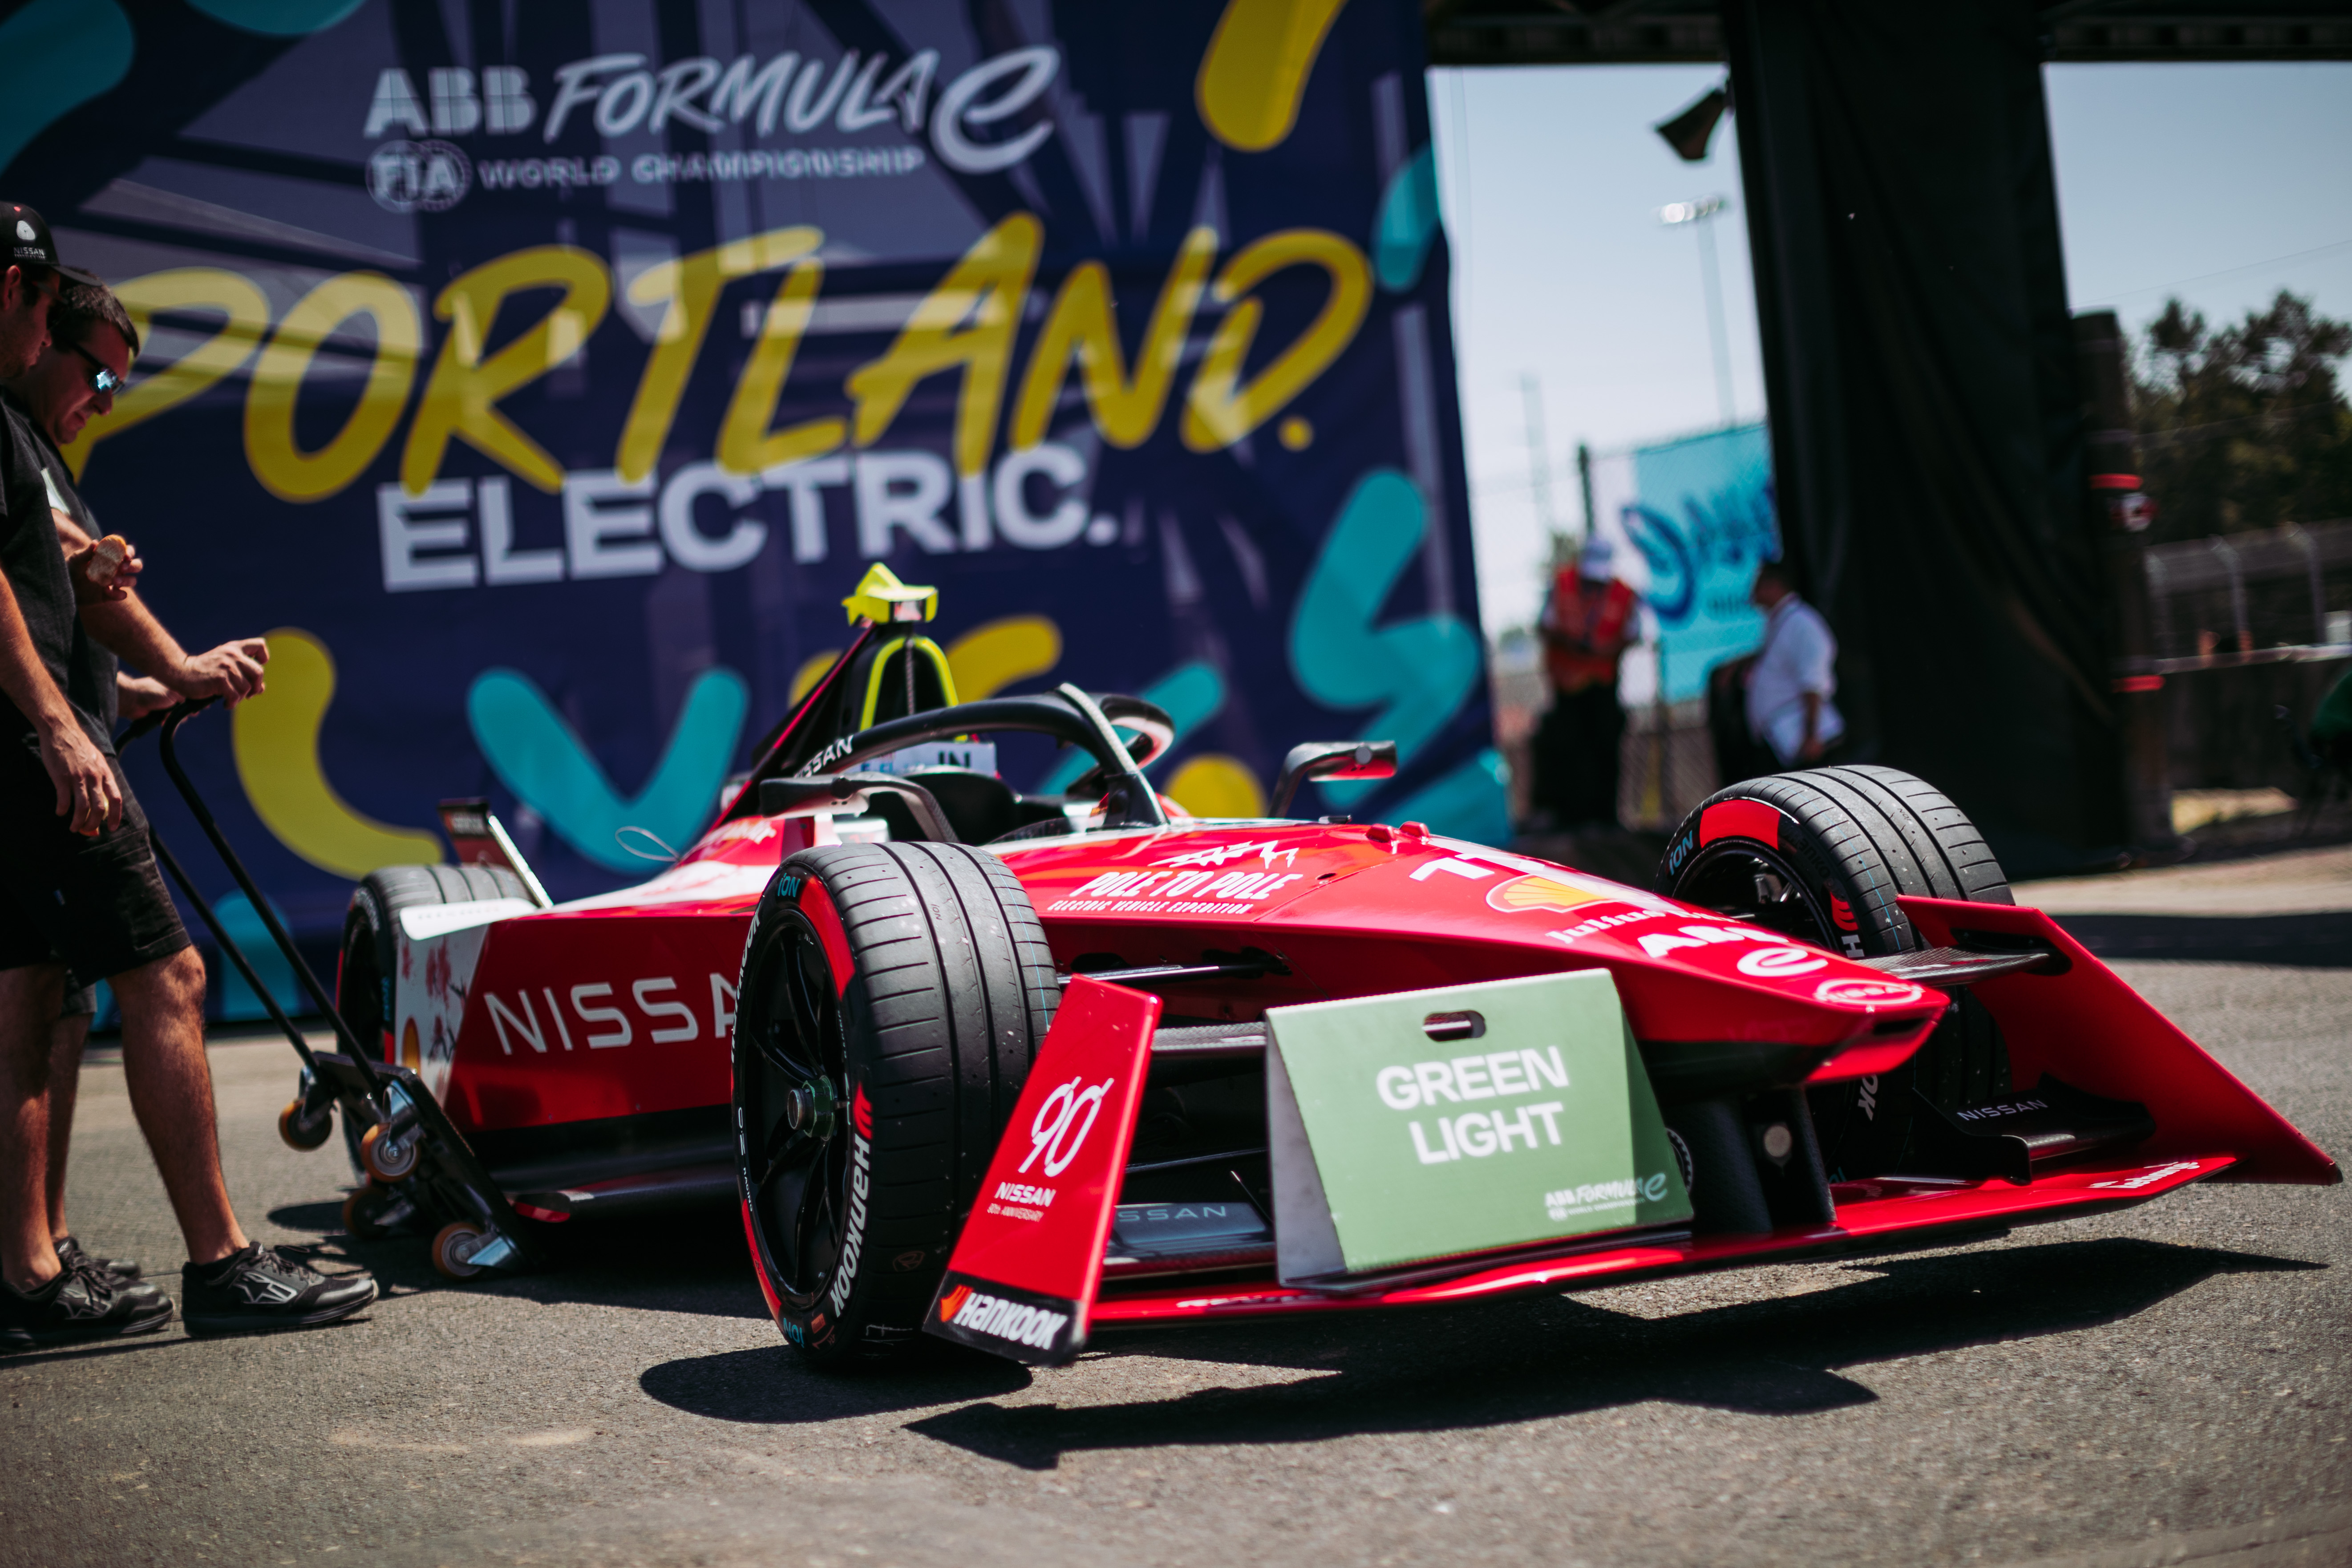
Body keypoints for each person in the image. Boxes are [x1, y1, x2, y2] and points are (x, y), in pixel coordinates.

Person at [0, 247, 375, 1348]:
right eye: (97, 374)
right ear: (37, 319)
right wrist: (127, 694)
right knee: (169, 973)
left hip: (38, 744)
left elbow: (57, 597)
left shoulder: (23, 441)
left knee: (38, 1001)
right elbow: (69, 580)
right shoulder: (9, 432)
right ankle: (222, 1263)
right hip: (43, 759)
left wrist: (140, 687)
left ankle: (35, 1267)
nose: (104, 399)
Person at [1529, 536, 1639, 831]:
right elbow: (1545, 625)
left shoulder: (1623, 593)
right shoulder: (1562, 584)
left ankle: (1605, 817)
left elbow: (1632, 632)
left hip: (1602, 685)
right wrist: (1571, 644)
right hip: (1567, 688)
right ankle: (1569, 817)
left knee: (1605, 748)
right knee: (1567, 749)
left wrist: (1603, 650)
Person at [1743, 559, 1844, 768]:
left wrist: (1811, 736)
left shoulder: (1802, 624)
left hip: (1812, 747)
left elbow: (1813, 683)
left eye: (1758, 582)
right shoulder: (1780, 622)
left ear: (1774, 585)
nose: (1752, 589)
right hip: (1786, 743)